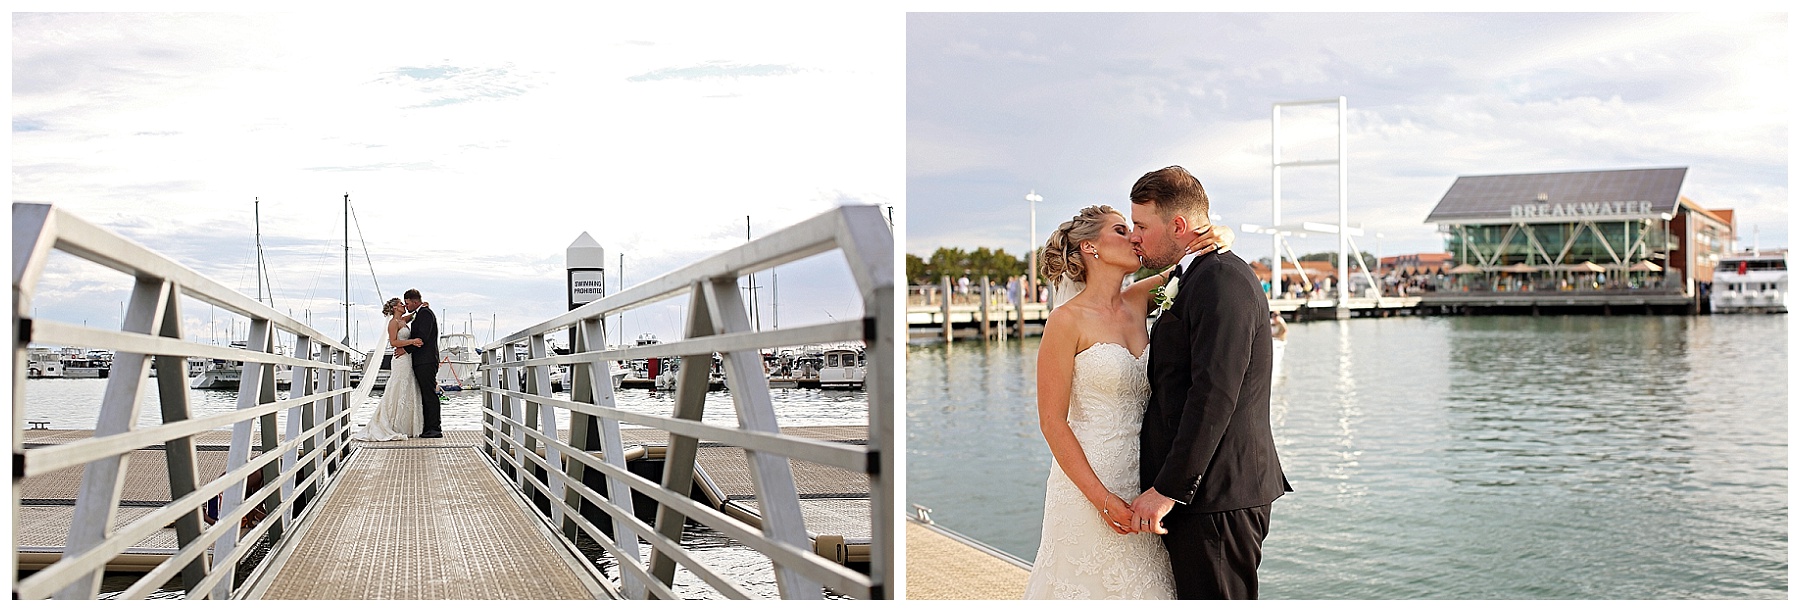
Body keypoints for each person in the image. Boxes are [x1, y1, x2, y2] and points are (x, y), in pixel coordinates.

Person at [1022, 204, 1227, 599]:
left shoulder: (1139, 299)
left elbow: (1196, 263)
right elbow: (1052, 422)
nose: (1134, 236)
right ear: (1089, 248)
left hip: (1146, 478)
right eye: (1120, 230)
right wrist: (1101, 499)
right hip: (1089, 482)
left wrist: (1224, 235)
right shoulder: (1065, 322)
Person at [1126, 165, 1291, 599]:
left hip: (1217, 497)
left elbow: (1214, 394)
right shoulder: (1194, 274)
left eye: (1142, 225)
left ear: (1178, 225)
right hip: (1202, 498)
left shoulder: (1221, 280)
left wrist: (1167, 489)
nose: (1134, 236)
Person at [352, 298, 425, 441]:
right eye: (400, 304)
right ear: (395, 308)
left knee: (408, 387)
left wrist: (422, 306)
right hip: (400, 360)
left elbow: (415, 313)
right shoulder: (393, 323)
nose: (403, 305)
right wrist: (412, 342)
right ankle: (392, 424)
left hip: (407, 359)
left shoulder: (404, 320)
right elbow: (393, 342)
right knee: (398, 387)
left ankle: (406, 425)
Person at [404, 289, 444, 438]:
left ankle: (435, 428)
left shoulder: (425, 314)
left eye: (407, 303)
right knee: (425, 394)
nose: (406, 306)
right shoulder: (419, 313)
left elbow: (422, 337)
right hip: (422, 361)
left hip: (426, 360)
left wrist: (405, 349)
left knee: (429, 394)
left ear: (415, 302)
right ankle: (428, 427)